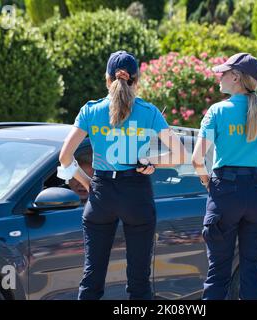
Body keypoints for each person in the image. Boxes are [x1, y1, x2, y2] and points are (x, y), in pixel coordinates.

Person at [57, 50, 186, 300]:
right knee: (139, 281)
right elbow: (180, 155)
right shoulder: (148, 112)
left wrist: (87, 182)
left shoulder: (90, 111)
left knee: (91, 278)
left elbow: (65, 157)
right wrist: (151, 162)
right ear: (136, 80)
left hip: (102, 192)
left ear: (107, 79)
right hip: (136, 193)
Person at [191, 53, 257, 300]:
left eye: (224, 73)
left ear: (236, 77)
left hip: (225, 192)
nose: (220, 76)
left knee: (218, 273)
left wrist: (209, 183)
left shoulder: (217, 112)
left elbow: (197, 159)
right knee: (252, 274)